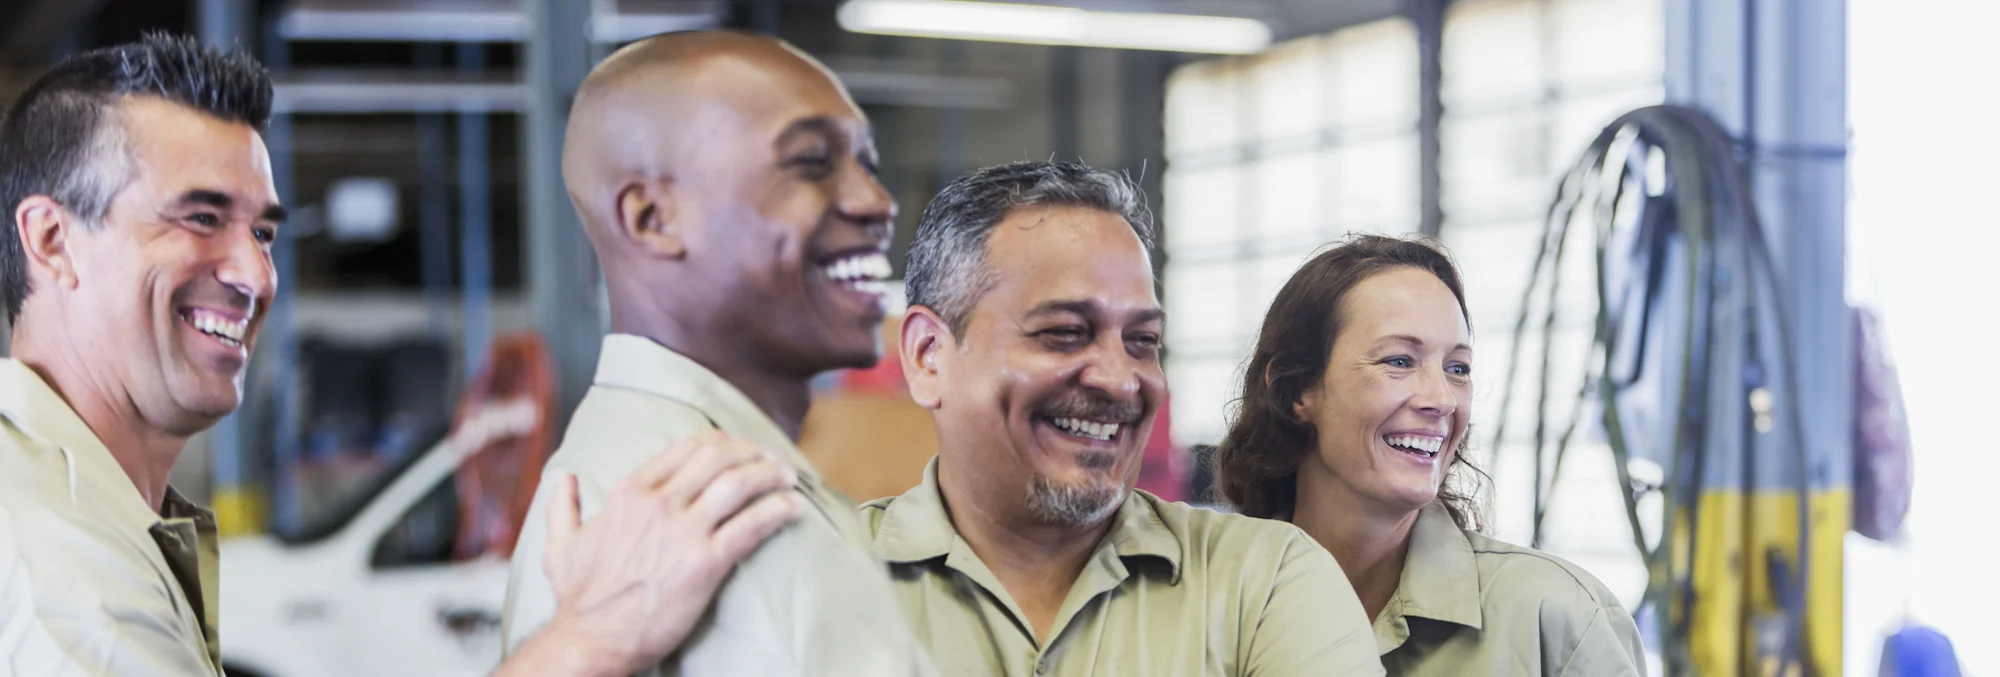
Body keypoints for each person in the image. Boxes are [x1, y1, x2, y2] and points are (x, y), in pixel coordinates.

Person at [0, 33, 796, 677]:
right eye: (200, 218)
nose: (256, 273)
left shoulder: (100, 513)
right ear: (52, 240)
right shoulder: (56, 568)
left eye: (263, 232)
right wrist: (589, 640)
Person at [500, 30, 934, 676]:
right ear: (653, 218)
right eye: (812, 162)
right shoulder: (687, 513)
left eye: (864, 163)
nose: (877, 202)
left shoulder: (710, 480)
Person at [868, 160, 1385, 676]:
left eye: (1142, 341)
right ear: (927, 354)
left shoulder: (1266, 583)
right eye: (1066, 332)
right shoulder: (814, 575)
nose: (1120, 380)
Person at [1209, 234, 1647, 675]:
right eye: (1399, 361)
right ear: (1295, 388)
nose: (1442, 399)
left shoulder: (1556, 619)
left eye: (1457, 369)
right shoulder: (1206, 607)